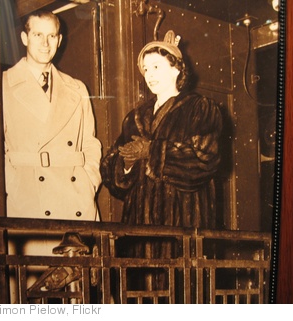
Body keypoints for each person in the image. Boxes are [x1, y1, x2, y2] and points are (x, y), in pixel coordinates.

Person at [100, 31, 222, 295]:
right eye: (145, 69)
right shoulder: (135, 118)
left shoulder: (199, 108)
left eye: (156, 66)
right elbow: (114, 175)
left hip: (183, 227)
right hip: (139, 233)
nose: (150, 74)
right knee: (139, 296)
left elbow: (205, 160)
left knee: (180, 295)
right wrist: (127, 163)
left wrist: (152, 151)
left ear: (177, 69)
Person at [3, 10, 102, 221]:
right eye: (38, 35)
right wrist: (12, 183)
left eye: (51, 36)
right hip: (28, 199)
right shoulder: (3, 85)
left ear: (59, 41)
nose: (45, 43)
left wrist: (89, 180)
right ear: (24, 38)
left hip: (75, 199)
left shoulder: (76, 88)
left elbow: (89, 142)